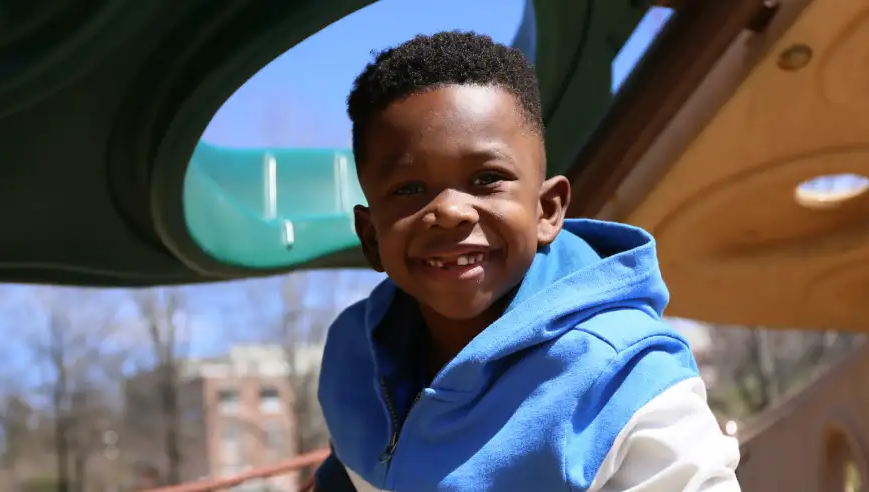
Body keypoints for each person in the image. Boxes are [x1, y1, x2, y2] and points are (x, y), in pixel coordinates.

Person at [314, 31, 740, 491]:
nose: (450, 211)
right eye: (408, 189)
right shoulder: (354, 356)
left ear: (548, 211)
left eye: (486, 178)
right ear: (371, 236)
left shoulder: (624, 377)